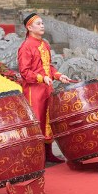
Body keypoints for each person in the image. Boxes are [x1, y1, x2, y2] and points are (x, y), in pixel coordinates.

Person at [18, 13, 71, 163]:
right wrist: (41, 78)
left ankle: (48, 154)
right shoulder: (26, 46)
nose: (42, 26)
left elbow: (49, 66)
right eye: (38, 23)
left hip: (47, 88)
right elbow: (24, 71)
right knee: (38, 120)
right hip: (34, 91)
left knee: (48, 120)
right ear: (29, 27)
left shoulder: (45, 44)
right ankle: (36, 156)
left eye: (42, 23)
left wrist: (59, 75)